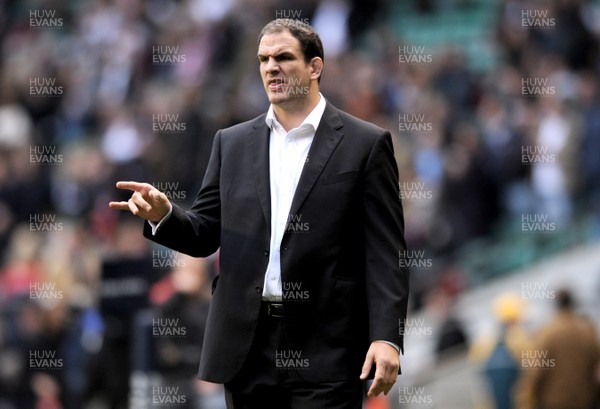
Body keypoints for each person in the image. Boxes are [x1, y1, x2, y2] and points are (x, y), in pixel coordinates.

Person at [109, 18, 409, 409]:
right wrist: (164, 215)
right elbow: (204, 233)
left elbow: (386, 253)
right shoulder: (230, 143)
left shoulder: (365, 144)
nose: (271, 67)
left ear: (315, 67)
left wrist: (386, 337)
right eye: (264, 59)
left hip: (328, 347)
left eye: (284, 57)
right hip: (247, 349)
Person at [515, 289, 600, 409]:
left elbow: (535, 373)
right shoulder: (587, 330)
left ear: (555, 306)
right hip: (586, 401)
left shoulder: (546, 334)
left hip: (555, 402)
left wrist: (525, 403)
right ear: (573, 303)